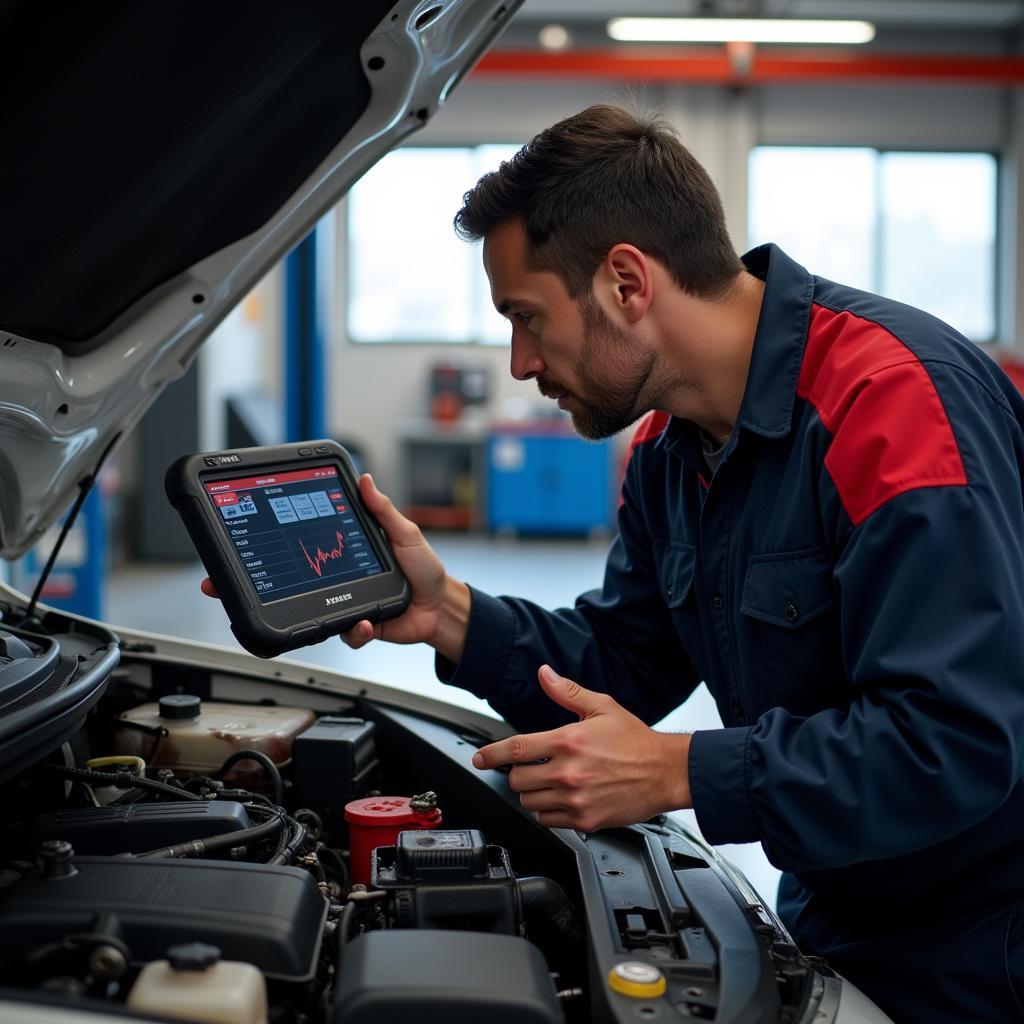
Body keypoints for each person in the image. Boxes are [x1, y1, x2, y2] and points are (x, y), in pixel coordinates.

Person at [209, 104, 1024, 1020]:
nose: (519, 362)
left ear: (627, 282)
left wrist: (677, 772)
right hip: (839, 894)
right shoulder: (675, 452)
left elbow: (955, 743)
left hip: (983, 936)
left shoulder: (891, 407)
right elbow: (628, 660)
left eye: (527, 317)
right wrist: (446, 613)